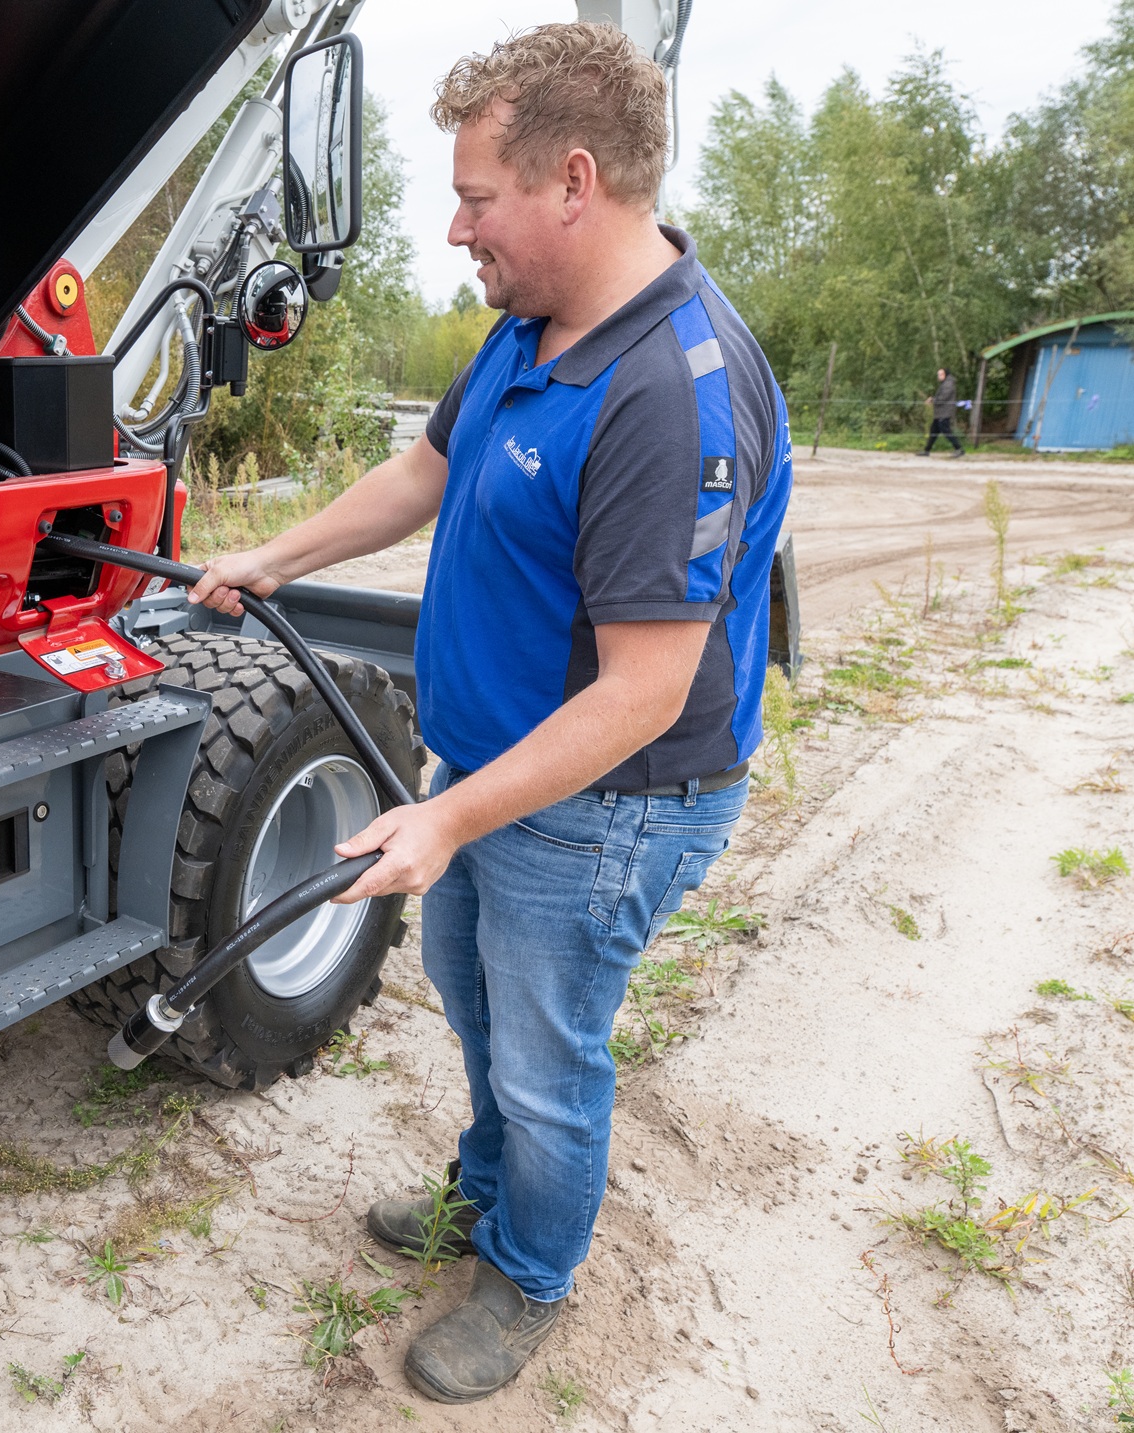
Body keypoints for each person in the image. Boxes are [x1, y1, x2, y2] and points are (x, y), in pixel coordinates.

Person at [188, 23, 792, 1404]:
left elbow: (644, 693)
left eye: (474, 195)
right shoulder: (534, 325)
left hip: (605, 810)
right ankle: (484, 1190)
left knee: (541, 1053)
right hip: (499, 775)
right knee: (473, 1003)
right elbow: (424, 471)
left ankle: (527, 1271)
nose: (456, 226)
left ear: (571, 181)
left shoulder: (665, 396)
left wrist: (446, 816)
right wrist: (270, 556)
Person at [923, 367, 967, 455]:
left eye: (940, 374)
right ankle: (926, 450)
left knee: (946, 431)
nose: (938, 376)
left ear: (945, 374)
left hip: (944, 412)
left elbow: (943, 398)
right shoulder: (945, 383)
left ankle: (959, 449)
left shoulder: (948, 384)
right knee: (934, 431)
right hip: (940, 413)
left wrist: (932, 400)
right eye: (938, 374)